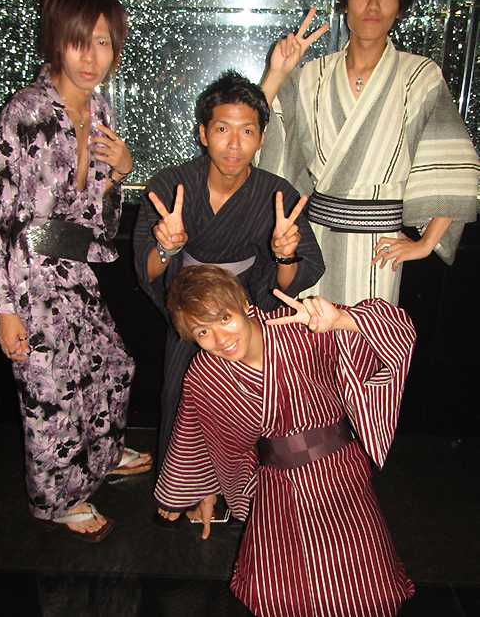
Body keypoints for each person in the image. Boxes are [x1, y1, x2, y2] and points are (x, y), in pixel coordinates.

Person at [0, 0, 152, 542]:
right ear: (57, 39)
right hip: (27, 275)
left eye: (103, 42)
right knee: (51, 392)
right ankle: (58, 500)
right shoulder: (25, 112)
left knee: (112, 364)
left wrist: (120, 173)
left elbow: (100, 225)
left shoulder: (99, 112)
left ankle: (100, 452)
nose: (91, 56)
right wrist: (2, 308)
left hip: (73, 270)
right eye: (80, 41)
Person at [155, 264, 417, 617]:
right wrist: (204, 490)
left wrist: (340, 321)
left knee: (366, 590)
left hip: (341, 473)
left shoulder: (299, 328)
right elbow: (203, 432)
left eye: (224, 318)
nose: (220, 338)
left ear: (243, 303)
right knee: (276, 592)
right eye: (202, 331)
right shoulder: (206, 372)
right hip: (279, 485)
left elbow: (399, 329)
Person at [258, 0, 480, 306]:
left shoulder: (419, 77)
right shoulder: (311, 76)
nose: (373, 5)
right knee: (310, 336)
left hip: (378, 249)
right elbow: (255, 134)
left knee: (369, 336)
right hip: (314, 243)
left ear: (400, 5)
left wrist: (426, 242)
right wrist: (277, 73)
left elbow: (454, 164)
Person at [133, 70, 325, 469]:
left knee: (250, 404)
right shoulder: (170, 185)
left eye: (247, 131)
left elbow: (290, 283)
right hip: (192, 310)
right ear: (203, 133)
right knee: (181, 396)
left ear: (262, 138)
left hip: (247, 307)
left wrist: (284, 256)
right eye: (222, 129)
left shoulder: (277, 194)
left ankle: (245, 486)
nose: (234, 144)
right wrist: (167, 248)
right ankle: (184, 486)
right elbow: (147, 271)